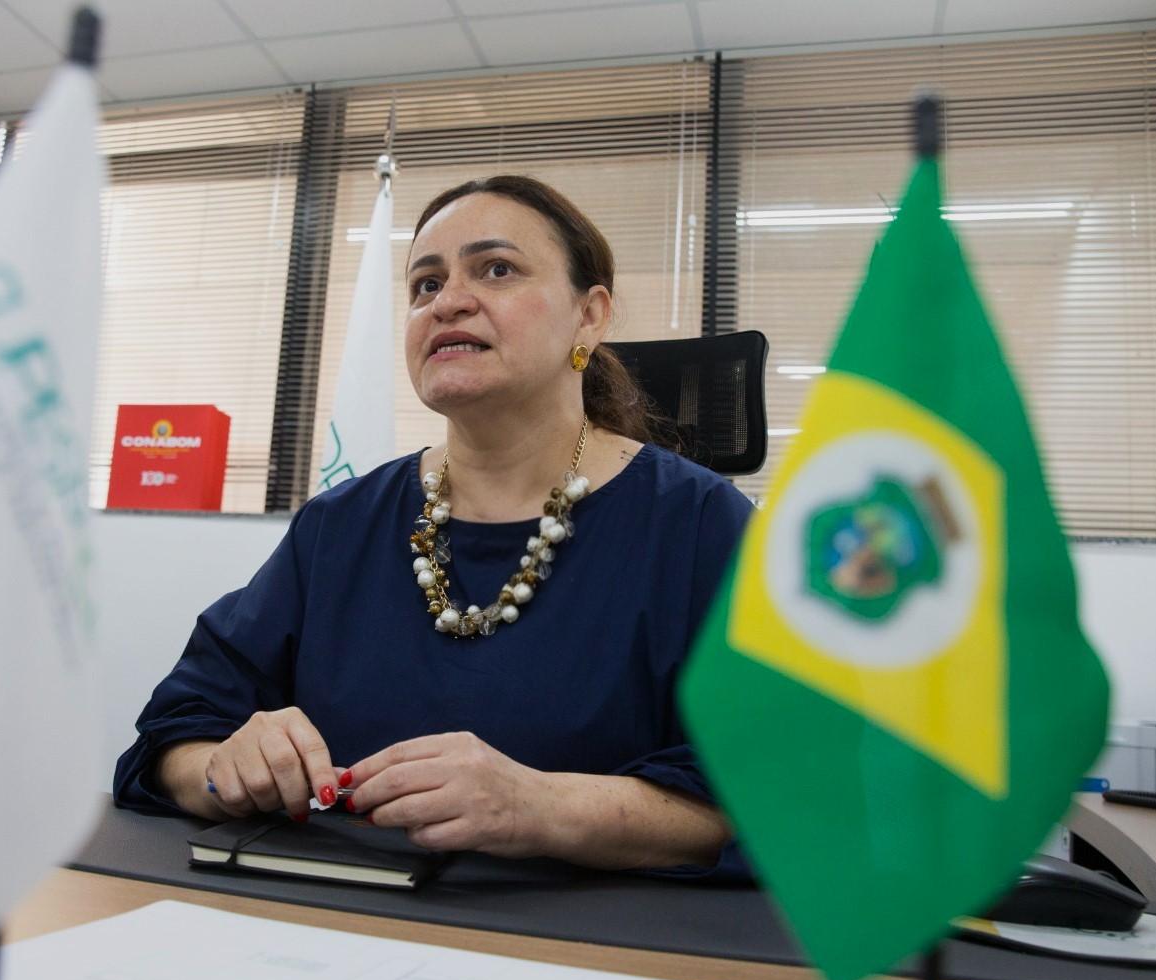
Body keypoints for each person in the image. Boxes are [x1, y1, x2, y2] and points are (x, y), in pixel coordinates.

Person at [114, 175, 754, 878]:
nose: (447, 300)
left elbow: (775, 796)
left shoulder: (697, 523)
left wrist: (541, 807)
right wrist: (224, 765)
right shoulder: (340, 524)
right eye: (424, 284)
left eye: (496, 269)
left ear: (590, 315)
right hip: (335, 923)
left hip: (603, 948)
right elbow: (173, 737)